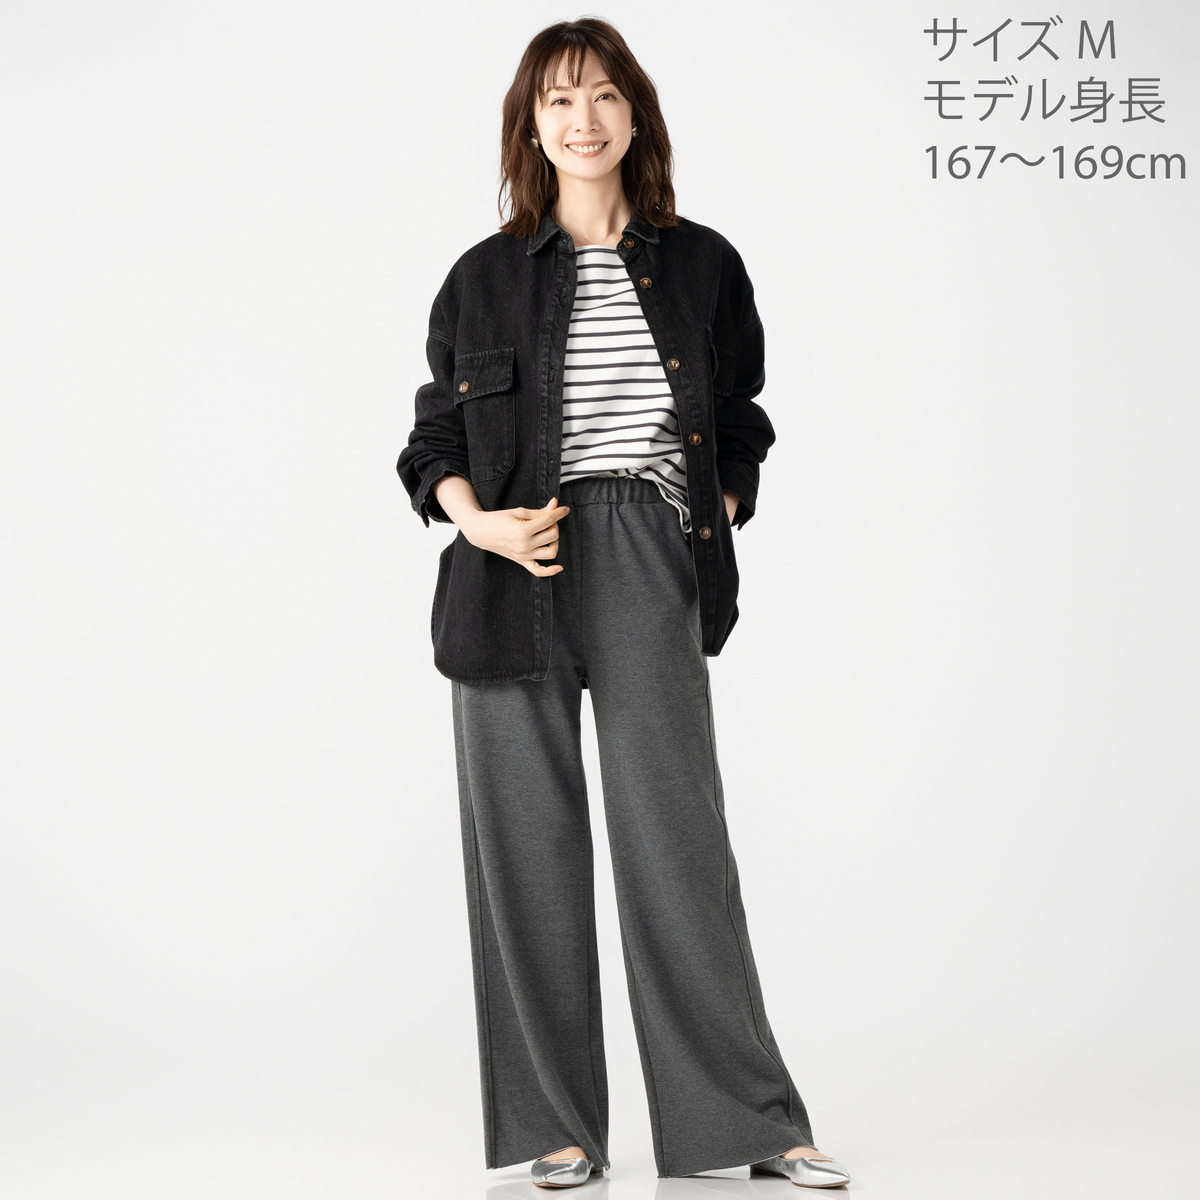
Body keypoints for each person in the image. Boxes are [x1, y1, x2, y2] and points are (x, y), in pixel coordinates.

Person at [397, 18, 850, 1190]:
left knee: (675, 837)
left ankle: (748, 1126)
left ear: (635, 113)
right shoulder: (481, 277)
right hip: (509, 567)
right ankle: (556, 1129)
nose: (582, 119)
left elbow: (740, 414)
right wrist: (480, 522)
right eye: (557, 101)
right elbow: (433, 440)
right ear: (530, 125)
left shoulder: (702, 264)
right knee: (525, 849)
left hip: (648, 546)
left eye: (602, 95)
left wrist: (721, 506)